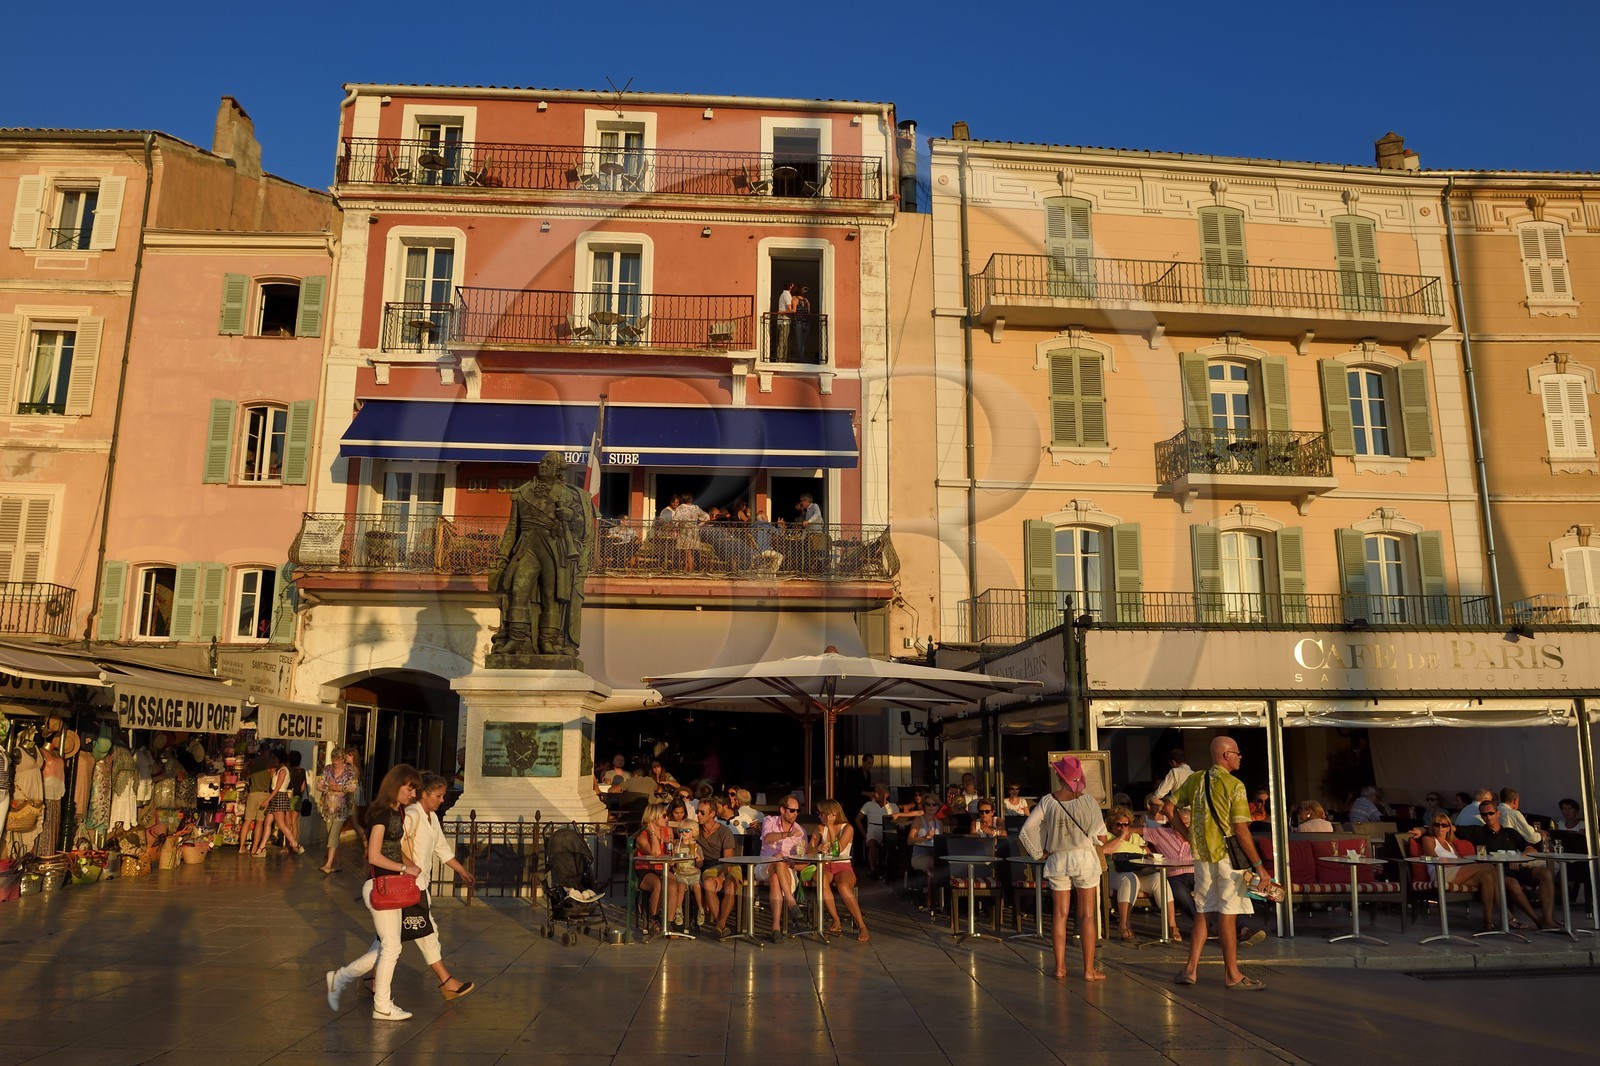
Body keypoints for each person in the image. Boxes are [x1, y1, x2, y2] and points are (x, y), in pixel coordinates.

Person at [1164, 736, 1268, 991]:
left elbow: (1168, 808)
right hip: (1228, 858)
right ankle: (1232, 974)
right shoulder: (1235, 786)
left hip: (1202, 856)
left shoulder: (1196, 779)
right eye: (1237, 752)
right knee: (1228, 913)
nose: (1240, 756)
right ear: (1225, 756)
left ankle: (1190, 970)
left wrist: (1187, 835)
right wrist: (1260, 867)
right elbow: (1241, 831)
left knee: (1203, 910)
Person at [325, 764, 424, 1022]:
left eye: (415, 790)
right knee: (392, 947)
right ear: (395, 785)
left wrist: (409, 865)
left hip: (392, 884)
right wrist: (404, 867)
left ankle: (341, 977)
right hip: (382, 885)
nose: (412, 794)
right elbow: (374, 854)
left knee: (382, 946)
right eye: (408, 788)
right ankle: (382, 1005)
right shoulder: (381, 815)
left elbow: (392, 847)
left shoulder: (396, 812)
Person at [488, 451, 595, 658]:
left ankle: (547, 640)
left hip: (553, 547)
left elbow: (582, 528)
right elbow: (512, 528)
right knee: (519, 589)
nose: (543, 465)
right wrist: (502, 557)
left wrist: (571, 515)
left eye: (548, 463)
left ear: (558, 469)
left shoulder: (569, 495)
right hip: (527, 546)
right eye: (542, 462)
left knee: (551, 596)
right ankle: (516, 639)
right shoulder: (522, 492)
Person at [1019, 754, 1108, 982]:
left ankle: (1060, 967)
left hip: (1058, 859)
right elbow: (1100, 836)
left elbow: (1026, 829)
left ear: (1059, 777)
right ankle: (1089, 971)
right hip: (1084, 859)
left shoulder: (1048, 801)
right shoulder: (1089, 801)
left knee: (1059, 915)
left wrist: (1039, 852)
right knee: (1087, 915)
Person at [400, 773, 476, 999]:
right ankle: (446, 980)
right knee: (427, 932)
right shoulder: (411, 815)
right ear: (424, 794)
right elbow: (393, 843)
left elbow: (441, 849)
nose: (442, 800)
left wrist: (461, 870)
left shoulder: (431, 817)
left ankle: (363, 977)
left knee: (389, 938)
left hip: (419, 884)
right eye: (438, 795)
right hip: (408, 884)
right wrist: (409, 866)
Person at [1458, 800, 1559, 930]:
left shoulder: (1510, 832)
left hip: (1515, 867)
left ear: (1498, 813)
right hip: (1495, 872)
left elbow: (1531, 849)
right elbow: (1451, 827)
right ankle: (1538, 921)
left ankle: (1547, 918)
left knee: (1545, 873)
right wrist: (1422, 829)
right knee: (1512, 883)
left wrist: (1519, 858)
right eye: (1484, 815)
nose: (1488, 817)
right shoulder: (1477, 832)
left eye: (1491, 813)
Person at [1405, 814, 1500, 931]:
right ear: (1432, 827)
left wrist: (1457, 863)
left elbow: (1460, 860)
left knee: (1487, 876)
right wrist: (1454, 862)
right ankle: (1506, 915)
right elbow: (1435, 858)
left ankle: (1488, 923)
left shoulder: (1450, 844)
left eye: (1444, 825)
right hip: (1441, 873)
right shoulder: (1428, 839)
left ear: (1449, 828)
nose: (1440, 828)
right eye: (1436, 825)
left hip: (1455, 872)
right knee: (1488, 867)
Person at [1101, 804, 1171, 942]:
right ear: (1111, 825)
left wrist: (1149, 855)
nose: (1123, 827)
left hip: (1139, 874)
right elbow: (1103, 850)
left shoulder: (1136, 838)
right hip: (1114, 875)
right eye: (1119, 824)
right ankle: (1124, 924)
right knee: (1129, 878)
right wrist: (1120, 837)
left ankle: (1172, 926)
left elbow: (1149, 854)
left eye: (1126, 825)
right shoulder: (1108, 837)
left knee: (1159, 877)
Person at [813, 798, 869, 940]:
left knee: (843, 886)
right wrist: (817, 848)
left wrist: (831, 827)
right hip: (825, 864)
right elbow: (808, 850)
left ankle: (862, 925)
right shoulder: (820, 827)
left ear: (833, 813)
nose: (820, 816)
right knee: (821, 880)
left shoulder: (848, 828)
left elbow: (838, 851)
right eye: (819, 813)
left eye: (822, 813)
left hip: (842, 864)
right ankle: (836, 919)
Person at [760, 796, 807, 941]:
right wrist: (786, 835)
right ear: (782, 809)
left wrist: (790, 863)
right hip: (765, 865)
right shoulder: (770, 821)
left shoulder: (801, 831)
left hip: (786, 871)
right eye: (792, 810)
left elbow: (804, 862)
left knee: (776, 875)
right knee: (778, 856)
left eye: (797, 811)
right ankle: (790, 900)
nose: (795, 814)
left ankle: (776, 928)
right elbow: (767, 838)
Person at [1140, 814, 1193, 942]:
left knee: (1211, 891)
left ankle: (1233, 926)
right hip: (1175, 875)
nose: (1185, 827)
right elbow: (1137, 830)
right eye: (1182, 823)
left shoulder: (1197, 836)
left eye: (1188, 824)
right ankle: (1205, 925)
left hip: (1196, 873)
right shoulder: (1162, 833)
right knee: (1181, 895)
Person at [693, 796, 737, 937]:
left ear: (712, 814)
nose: (698, 815)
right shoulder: (696, 831)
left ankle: (720, 924)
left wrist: (722, 877)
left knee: (730, 885)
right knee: (707, 883)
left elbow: (728, 859)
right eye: (697, 811)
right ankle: (721, 925)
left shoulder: (724, 832)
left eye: (702, 812)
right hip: (710, 867)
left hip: (728, 864)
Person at [634, 801, 680, 936]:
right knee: (658, 884)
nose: (667, 819)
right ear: (653, 817)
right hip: (645, 868)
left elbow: (670, 854)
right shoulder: (642, 836)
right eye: (664, 816)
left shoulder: (668, 831)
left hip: (663, 867)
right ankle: (653, 919)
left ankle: (668, 924)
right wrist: (653, 834)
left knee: (672, 885)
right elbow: (654, 854)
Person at [319, 746, 361, 874]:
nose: (335, 762)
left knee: (333, 835)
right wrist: (331, 786)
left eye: (337, 759)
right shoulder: (327, 769)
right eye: (333, 759)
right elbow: (319, 784)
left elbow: (352, 787)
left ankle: (328, 864)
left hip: (341, 808)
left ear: (343, 759)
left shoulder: (349, 771)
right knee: (332, 835)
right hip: (328, 807)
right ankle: (338, 862)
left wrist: (337, 788)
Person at [254, 749, 304, 857]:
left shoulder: (283, 771)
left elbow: (277, 788)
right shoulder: (279, 769)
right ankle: (261, 848)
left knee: (281, 823)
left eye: (275, 758)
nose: (274, 759)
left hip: (279, 797)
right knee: (267, 822)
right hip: (276, 797)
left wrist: (267, 800)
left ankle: (295, 844)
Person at [855, 783, 897, 879]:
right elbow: (857, 819)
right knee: (872, 843)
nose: (876, 795)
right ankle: (873, 870)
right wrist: (865, 834)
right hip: (873, 828)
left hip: (888, 829)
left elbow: (897, 821)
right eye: (875, 792)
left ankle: (889, 870)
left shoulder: (893, 806)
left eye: (879, 793)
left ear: (886, 794)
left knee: (892, 845)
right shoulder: (868, 804)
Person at [907, 802, 943, 910]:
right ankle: (930, 901)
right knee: (934, 864)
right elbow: (909, 841)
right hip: (919, 856)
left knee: (940, 863)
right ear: (924, 807)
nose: (931, 807)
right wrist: (924, 838)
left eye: (934, 804)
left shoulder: (939, 823)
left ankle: (941, 900)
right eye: (928, 804)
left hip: (933, 855)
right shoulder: (918, 820)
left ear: (938, 807)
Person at [240, 745, 274, 854]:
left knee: (247, 821)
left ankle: (241, 847)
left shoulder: (253, 762)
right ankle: (254, 848)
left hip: (252, 793)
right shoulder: (271, 763)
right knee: (259, 822)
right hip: (264, 795)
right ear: (268, 751)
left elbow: (247, 774)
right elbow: (273, 779)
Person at [286, 750, 308, 842]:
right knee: (294, 823)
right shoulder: (302, 771)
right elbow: (303, 787)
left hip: (288, 796)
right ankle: (294, 843)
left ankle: (288, 844)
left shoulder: (288, 770)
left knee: (288, 823)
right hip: (298, 797)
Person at [774, 281, 795, 359]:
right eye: (792, 286)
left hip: (781, 320)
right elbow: (790, 310)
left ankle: (782, 359)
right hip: (784, 321)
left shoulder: (783, 294)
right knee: (783, 341)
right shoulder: (787, 295)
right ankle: (780, 359)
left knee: (783, 341)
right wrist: (784, 312)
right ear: (790, 287)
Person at [793, 285, 813, 361]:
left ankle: (801, 360)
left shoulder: (795, 299)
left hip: (798, 323)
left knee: (799, 343)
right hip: (806, 323)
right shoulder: (806, 300)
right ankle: (802, 359)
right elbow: (808, 313)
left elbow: (794, 311)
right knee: (802, 343)